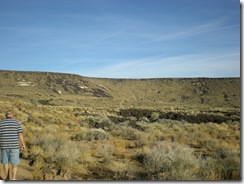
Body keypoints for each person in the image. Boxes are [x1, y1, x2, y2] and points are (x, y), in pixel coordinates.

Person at [0, 111, 26, 180]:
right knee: (14, 164)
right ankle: (14, 179)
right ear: (12, 115)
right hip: (14, 146)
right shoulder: (16, 122)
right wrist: (23, 144)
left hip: (4, 146)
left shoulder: (1, 123)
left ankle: (8, 178)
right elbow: (20, 134)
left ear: (6, 116)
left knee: (5, 163)